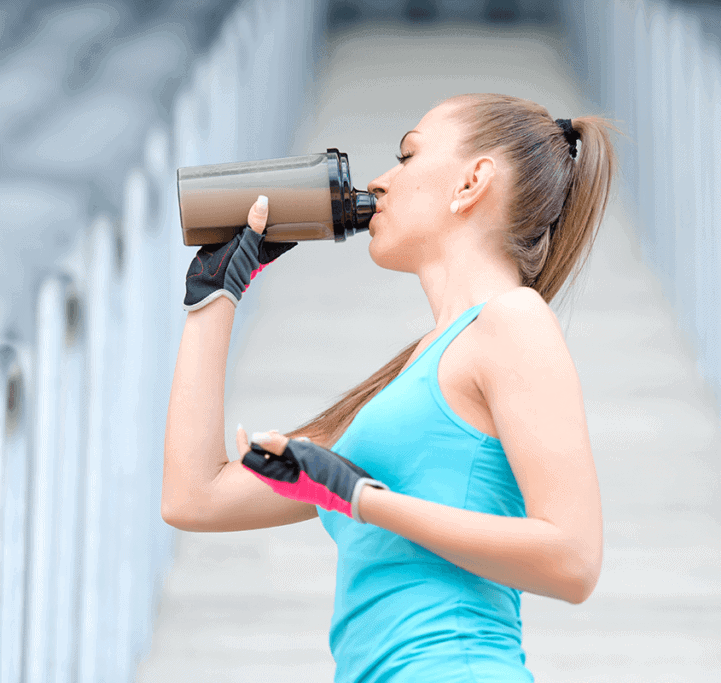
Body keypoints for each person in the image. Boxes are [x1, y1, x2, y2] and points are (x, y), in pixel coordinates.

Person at [162, 93, 618, 682]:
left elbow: (573, 560)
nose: (378, 183)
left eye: (407, 156)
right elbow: (193, 497)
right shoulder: (404, 381)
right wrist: (215, 294)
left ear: (473, 181)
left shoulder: (513, 320)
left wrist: (363, 499)